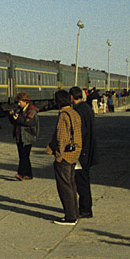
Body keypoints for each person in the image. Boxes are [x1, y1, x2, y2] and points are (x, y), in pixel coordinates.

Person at [46, 90, 83, 225]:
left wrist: (58, 156)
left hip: (65, 156)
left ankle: (70, 217)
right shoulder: (74, 113)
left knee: (64, 186)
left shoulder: (63, 116)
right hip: (75, 153)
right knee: (71, 185)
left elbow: (61, 137)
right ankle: (74, 213)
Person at [70, 86, 98, 218]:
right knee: (84, 181)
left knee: (81, 182)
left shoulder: (78, 111)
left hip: (82, 153)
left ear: (71, 97)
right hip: (87, 150)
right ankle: (85, 208)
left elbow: (80, 133)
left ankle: (85, 209)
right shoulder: (87, 108)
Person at [7, 91, 40, 181]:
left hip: (28, 137)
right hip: (19, 136)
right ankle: (28, 174)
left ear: (26, 101)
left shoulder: (32, 111)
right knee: (23, 156)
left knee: (24, 156)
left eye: (20, 102)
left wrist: (18, 118)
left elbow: (29, 122)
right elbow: (15, 122)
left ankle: (20, 174)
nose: (18, 103)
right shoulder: (19, 110)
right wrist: (11, 116)